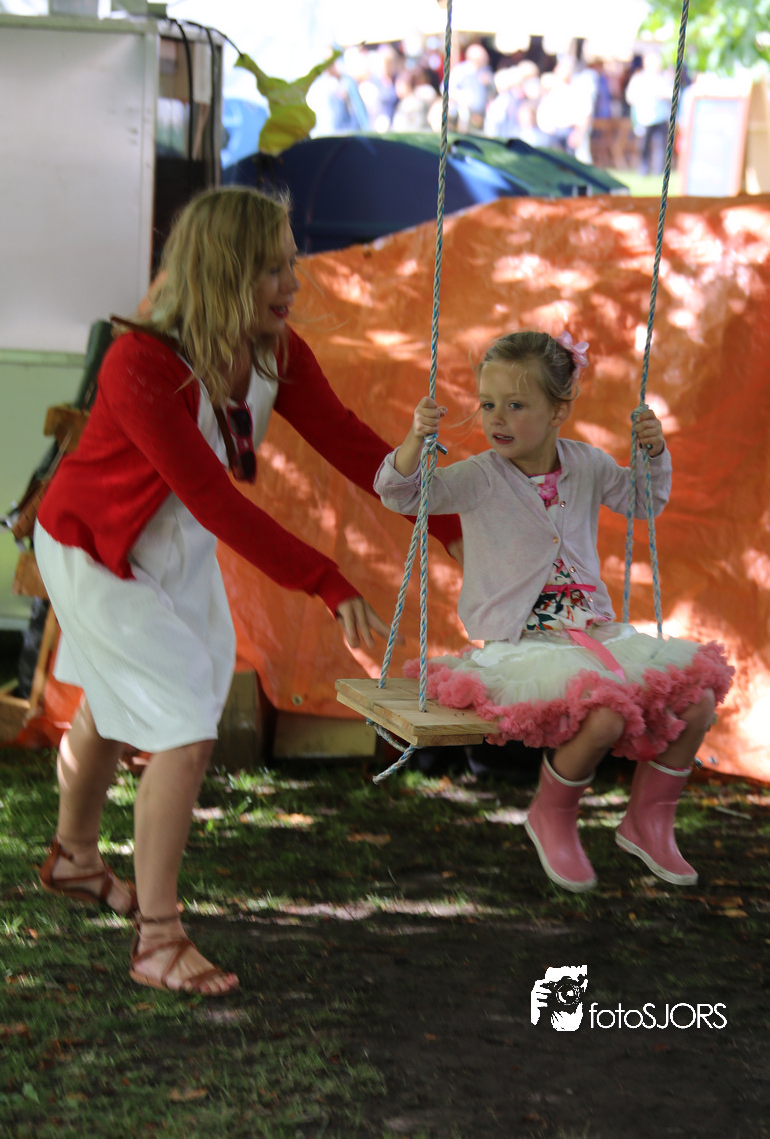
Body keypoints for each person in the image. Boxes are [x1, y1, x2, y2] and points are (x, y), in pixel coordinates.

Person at [33, 186, 461, 995]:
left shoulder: (274, 352)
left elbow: (352, 446)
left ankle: (75, 858)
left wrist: (453, 528)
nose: (292, 283)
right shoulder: (139, 362)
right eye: (273, 268)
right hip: (96, 551)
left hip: (174, 550)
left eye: (291, 263)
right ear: (222, 271)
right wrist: (325, 581)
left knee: (130, 696)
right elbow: (213, 499)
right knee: (184, 728)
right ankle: (158, 940)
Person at [375, 330, 734, 893]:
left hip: (595, 633)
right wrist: (415, 441)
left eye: (516, 405)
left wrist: (654, 453)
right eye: (488, 404)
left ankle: (649, 820)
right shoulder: (480, 477)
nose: (497, 418)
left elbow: (643, 501)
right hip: (525, 648)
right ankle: (552, 814)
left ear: (558, 411)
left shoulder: (586, 464)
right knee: (605, 716)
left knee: (699, 701)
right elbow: (401, 494)